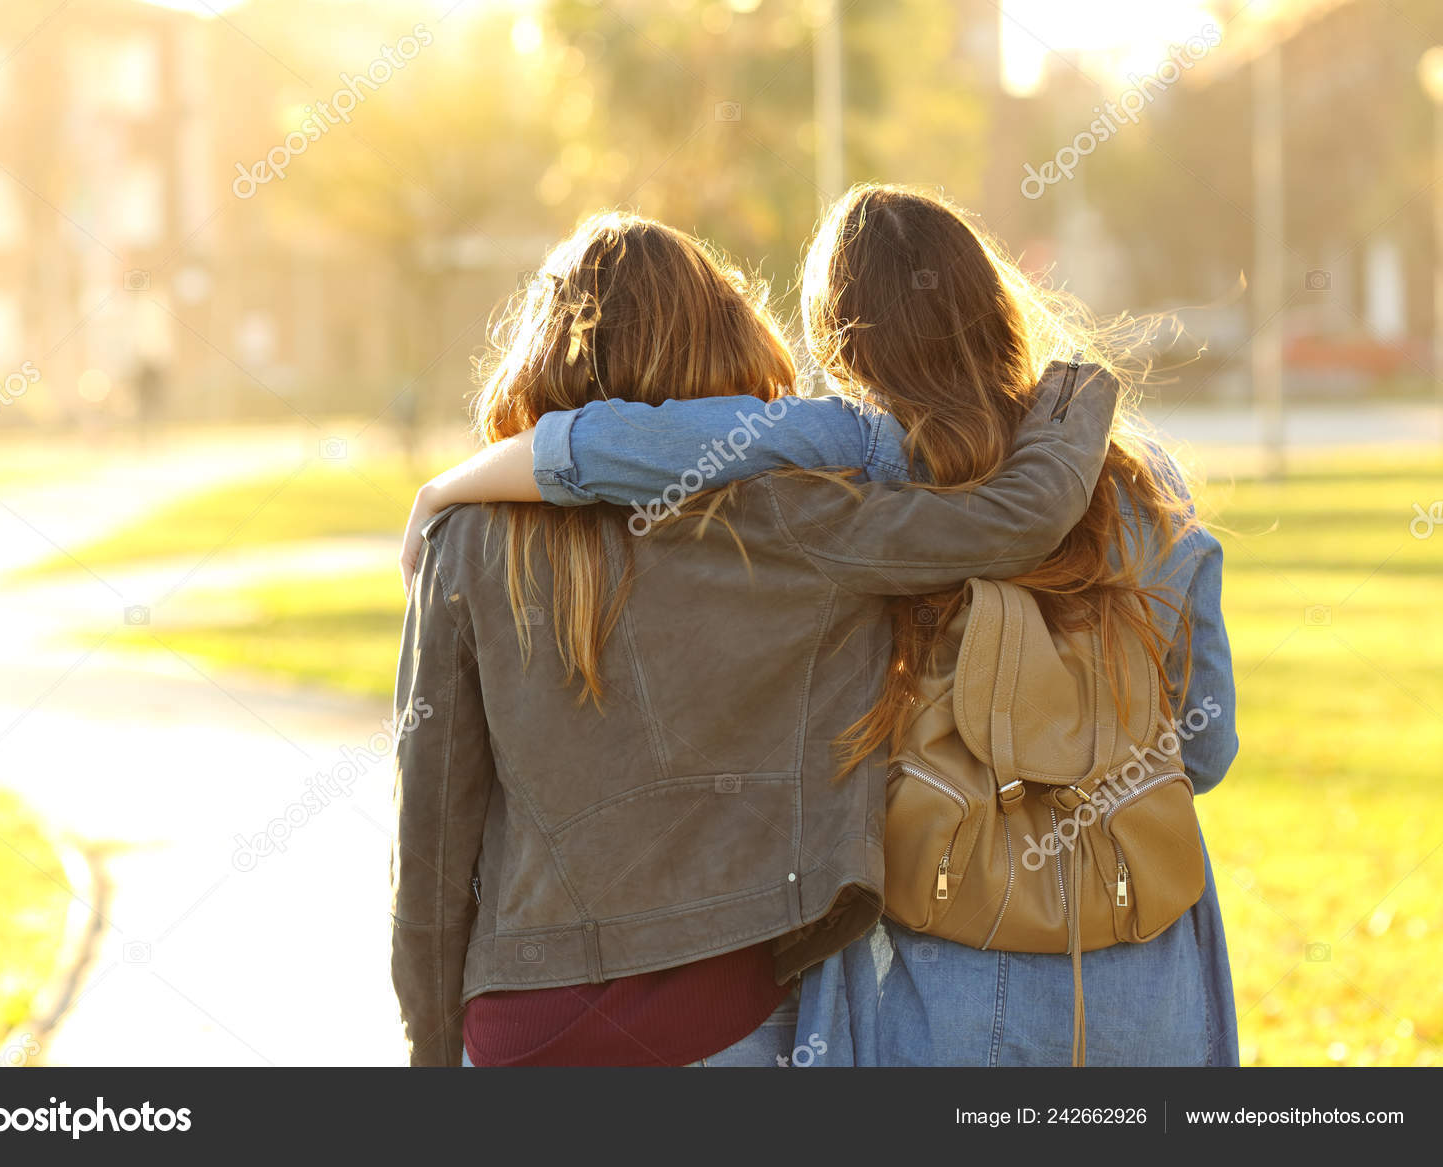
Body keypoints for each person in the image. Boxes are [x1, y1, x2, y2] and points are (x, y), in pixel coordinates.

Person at [401, 185, 1239, 1066]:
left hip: (924, 967)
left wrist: (468, 477)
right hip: (1145, 957)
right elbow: (1205, 747)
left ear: (842, 339)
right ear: (997, 306)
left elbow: (676, 440)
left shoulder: (853, 459)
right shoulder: (1148, 490)